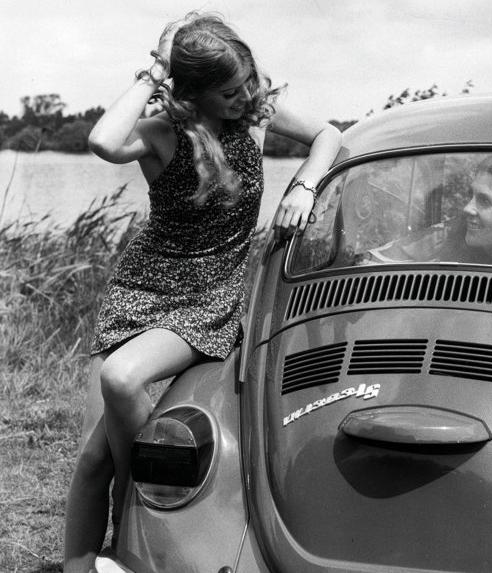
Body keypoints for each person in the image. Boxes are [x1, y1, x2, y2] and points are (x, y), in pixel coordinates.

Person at [63, 12, 341, 572]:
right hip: (140, 286)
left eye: (247, 83)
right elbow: (102, 140)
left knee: (121, 380)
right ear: (192, 91)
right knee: (94, 459)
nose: (245, 97)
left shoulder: (258, 115)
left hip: (208, 295)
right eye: (229, 91)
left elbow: (329, 135)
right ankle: (81, 563)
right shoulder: (162, 132)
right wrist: (156, 70)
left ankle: (129, 522)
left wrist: (304, 185)